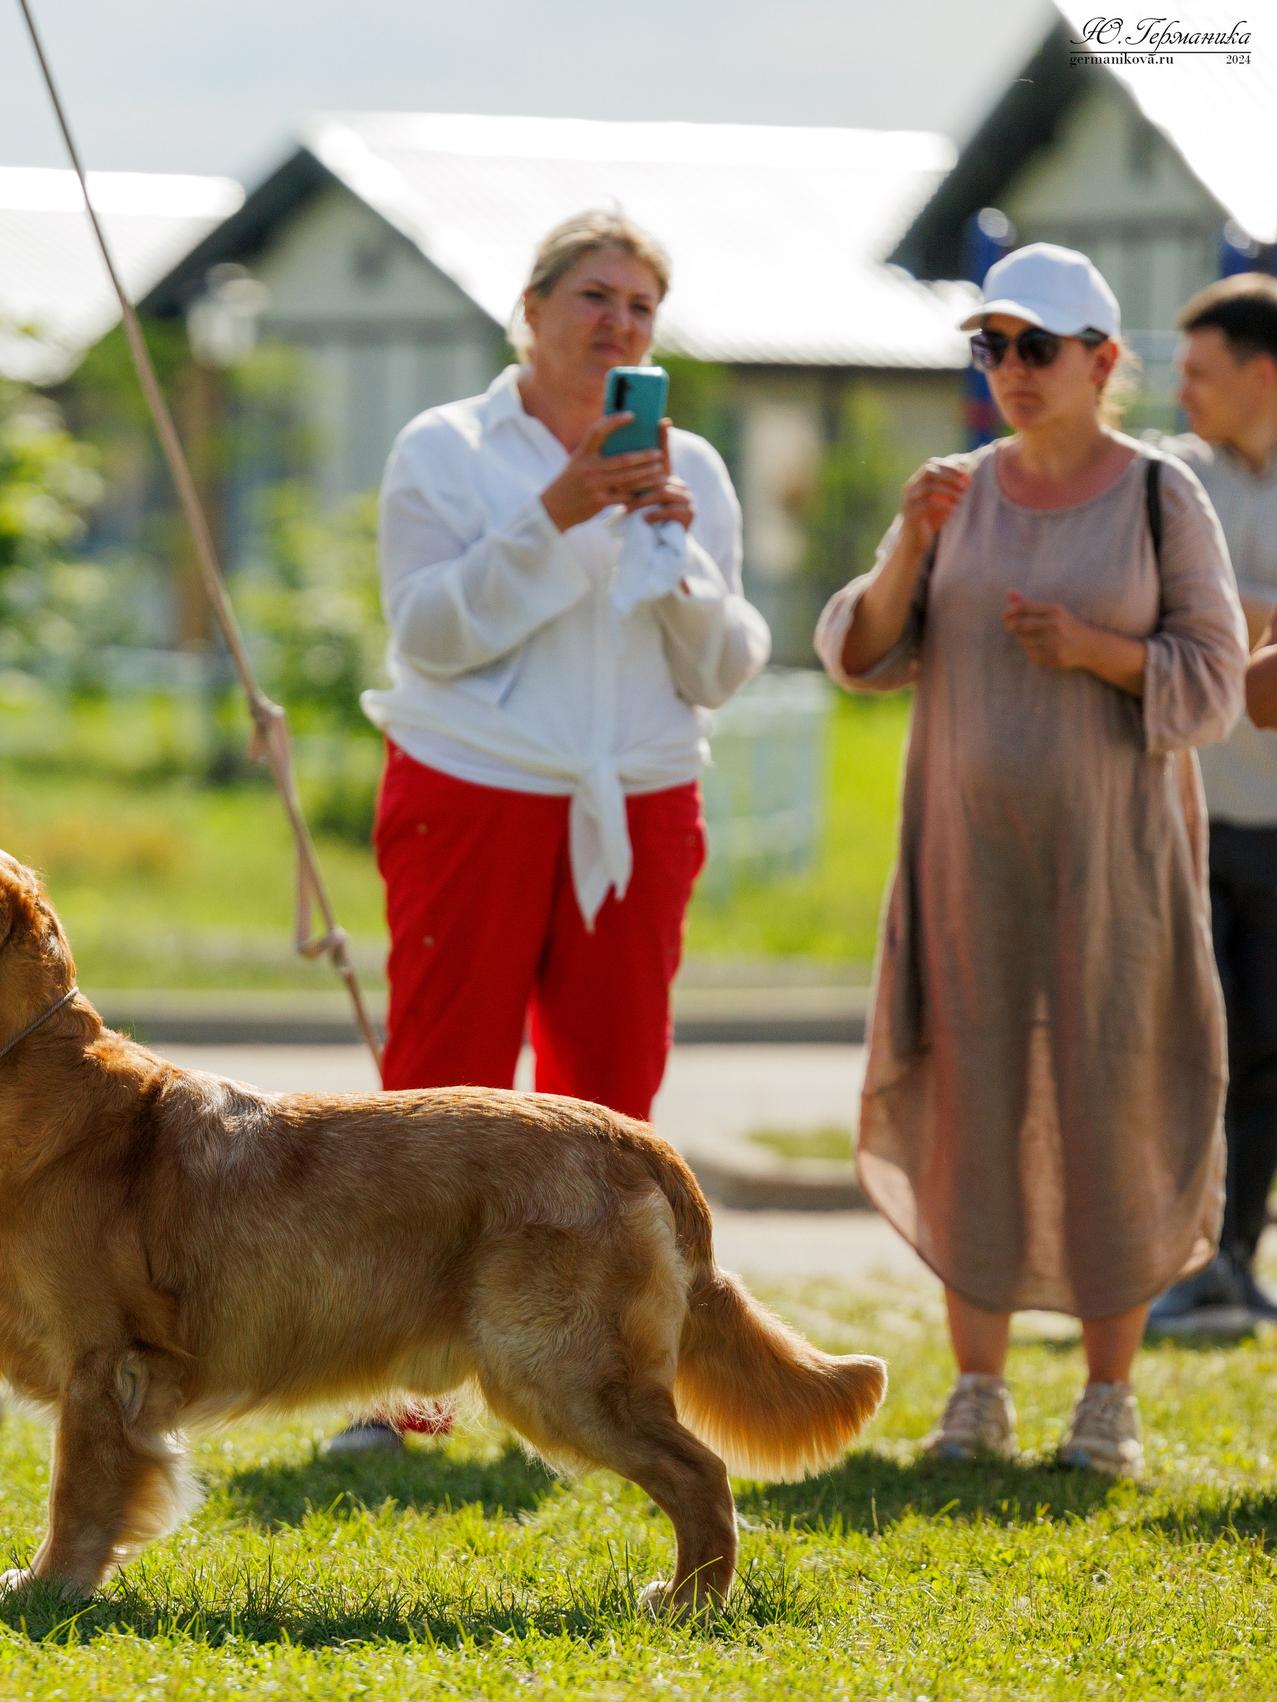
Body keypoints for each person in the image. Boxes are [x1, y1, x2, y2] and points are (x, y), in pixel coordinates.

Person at [323, 210, 769, 1456]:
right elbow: (431, 631)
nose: (616, 322)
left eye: (639, 306)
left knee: (612, 1097)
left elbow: (725, 666)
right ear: (529, 308)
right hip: (475, 784)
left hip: (636, 795)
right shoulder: (447, 447)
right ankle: (401, 1391)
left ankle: (593, 1377)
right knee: (436, 1090)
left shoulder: (698, 468)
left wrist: (675, 555)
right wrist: (562, 509)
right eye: (593, 295)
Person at [817, 244, 1245, 1475]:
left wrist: (1097, 649)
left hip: (1118, 873)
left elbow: (1214, 683)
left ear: (1104, 362)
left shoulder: (1162, 494)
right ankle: (977, 1390)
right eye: (989, 345)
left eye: (1036, 347)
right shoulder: (952, 491)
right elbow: (859, 652)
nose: (1009, 368)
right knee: (973, 1107)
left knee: (1116, 1098)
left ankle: (1106, 1399)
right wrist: (905, 541)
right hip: (965, 867)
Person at [1148, 273, 1277, 1332]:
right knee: (1189, 1048)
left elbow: (1196, 617)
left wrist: (1215, 607)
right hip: (1183, 816)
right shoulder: (1169, 480)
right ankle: (1177, 1257)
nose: (1177, 390)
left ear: (1261, 374)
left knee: (1268, 1047)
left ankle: (1233, 1256)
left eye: (1198, 372)